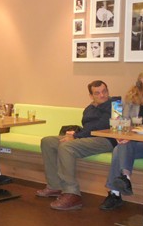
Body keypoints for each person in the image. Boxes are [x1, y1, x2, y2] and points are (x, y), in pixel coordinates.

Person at [36, 80, 117, 210]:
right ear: (91, 96)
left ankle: (72, 193)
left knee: (67, 147)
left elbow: (102, 125)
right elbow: (87, 126)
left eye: (104, 91)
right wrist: (75, 134)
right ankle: (55, 186)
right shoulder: (90, 108)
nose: (102, 95)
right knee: (48, 142)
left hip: (106, 139)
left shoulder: (115, 106)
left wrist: (75, 136)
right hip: (87, 138)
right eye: (97, 93)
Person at [100, 67, 143, 210]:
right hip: (133, 141)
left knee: (118, 150)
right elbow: (125, 120)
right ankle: (124, 179)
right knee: (120, 146)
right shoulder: (132, 97)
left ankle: (116, 192)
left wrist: (131, 136)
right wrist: (122, 136)